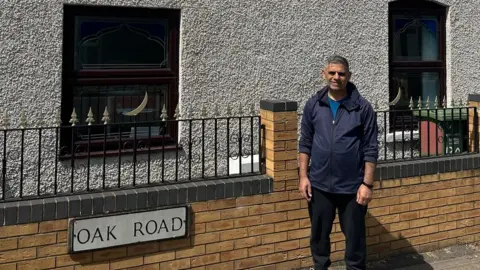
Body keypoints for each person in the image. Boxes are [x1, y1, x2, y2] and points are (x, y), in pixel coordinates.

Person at [298, 55, 379, 270]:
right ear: (323, 74)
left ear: (349, 76)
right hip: (319, 186)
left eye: (341, 73)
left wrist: (367, 184)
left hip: (352, 188)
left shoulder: (362, 108)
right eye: (332, 72)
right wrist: (304, 177)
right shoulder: (314, 105)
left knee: (355, 243)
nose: (336, 77)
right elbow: (305, 142)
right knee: (319, 239)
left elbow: (371, 148)